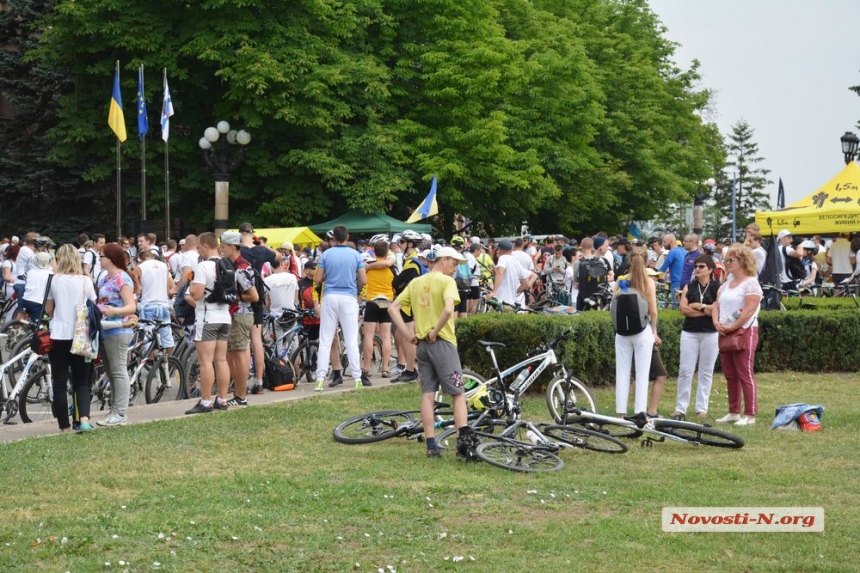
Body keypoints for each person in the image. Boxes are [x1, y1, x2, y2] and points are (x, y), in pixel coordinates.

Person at [388, 247, 470, 458]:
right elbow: (449, 309)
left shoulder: (416, 282)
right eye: (453, 263)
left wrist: (407, 334)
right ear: (443, 260)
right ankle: (463, 445)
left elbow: (393, 308)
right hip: (442, 342)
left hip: (422, 345)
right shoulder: (446, 282)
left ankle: (431, 444)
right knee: (458, 394)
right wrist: (435, 331)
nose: (455, 269)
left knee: (428, 394)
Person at [44, 245, 97, 433]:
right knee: (82, 381)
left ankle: (64, 427)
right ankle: (83, 419)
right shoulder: (85, 280)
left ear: (59, 259)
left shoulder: (54, 280)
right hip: (81, 335)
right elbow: (93, 302)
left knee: (59, 382)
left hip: (59, 334)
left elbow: (49, 310)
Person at [313, 225, 367, 391]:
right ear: (347, 236)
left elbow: (318, 279)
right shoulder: (355, 255)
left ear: (334, 238)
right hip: (349, 298)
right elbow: (364, 280)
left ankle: (320, 379)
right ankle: (357, 378)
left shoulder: (326, 254)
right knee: (351, 339)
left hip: (330, 296)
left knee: (326, 339)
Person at [713, 245, 762, 426]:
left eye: (730, 260)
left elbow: (749, 310)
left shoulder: (751, 283)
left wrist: (732, 326)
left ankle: (750, 414)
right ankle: (733, 411)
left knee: (745, 373)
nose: (727, 263)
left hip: (744, 331)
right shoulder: (726, 284)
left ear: (742, 261)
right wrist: (716, 322)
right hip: (725, 330)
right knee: (730, 374)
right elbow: (716, 305)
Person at [185, 232, 232, 414]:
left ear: (205, 245)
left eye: (198, 247)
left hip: (207, 318)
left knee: (205, 362)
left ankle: (205, 402)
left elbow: (196, 294)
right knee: (221, 360)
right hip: (224, 317)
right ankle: (222, 398)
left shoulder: (203, 266)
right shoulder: (227, 264)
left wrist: (190, 285)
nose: (198, 250)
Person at [672, 254, 720, 420]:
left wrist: (699, 306)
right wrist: (706, 310)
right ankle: (680, 408)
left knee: (706, 371)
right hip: (690, 332)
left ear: (710, 269)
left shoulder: (717, 287)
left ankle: (701, 408)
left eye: (701, 267)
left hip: (711, 333)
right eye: (696, 267)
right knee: (685, 370)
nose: (697, 269)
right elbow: (684, 309)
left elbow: (717, 308)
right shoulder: (689, 287)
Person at [96, 242, 139, 426]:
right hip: (105, 328)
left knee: (118, 370)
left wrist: (113, 312)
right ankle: (115, 410)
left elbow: (131, 306)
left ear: (111, 258)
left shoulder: (123, 278)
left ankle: (120, 413)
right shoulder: (104, 278)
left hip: (119, 329)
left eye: (102, 256)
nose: (99, 259)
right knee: (110, 371)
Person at [238, 223, 283, 395]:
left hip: (242, 294)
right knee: (256, 340)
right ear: (253, 234)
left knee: (242, 341)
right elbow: (278, 257)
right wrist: (262, 245)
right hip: (257, 293)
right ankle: (259, 380)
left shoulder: (238, 250)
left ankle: (240, 381)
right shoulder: (261, 250)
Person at [611, 253, 658, 416]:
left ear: (628, 263)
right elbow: (653, 311)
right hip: (642, 330)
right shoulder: (648, 282)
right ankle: (640, 411)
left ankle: (620, 412)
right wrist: (654, 331)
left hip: (622, 332)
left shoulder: (621, 281)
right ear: (645, 263)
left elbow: (612, 304)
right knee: (642, 373)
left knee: (622, 371)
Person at [220, 231, 259, 407]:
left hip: (241, 314)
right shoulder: (234, 264)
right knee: (234, 354)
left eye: (223, 247)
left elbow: (254, 296)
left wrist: (233, 297)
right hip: (236, 315)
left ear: (231, 247)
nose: (221, 250)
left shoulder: (241, 268)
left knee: (239, 354)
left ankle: (241, 396)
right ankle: (238, 393)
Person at [361, 240, 396, 382]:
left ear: (374, 252)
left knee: (368, 336)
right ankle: (386, 368)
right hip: (386, 300)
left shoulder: (369, 267)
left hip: (371, 300)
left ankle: (367, 367)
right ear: (387, 252)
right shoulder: (391, 268)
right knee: (386, 336)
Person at [137, 248, 176, 356]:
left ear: (140, 259)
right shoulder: (164, 266)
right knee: (167, 338)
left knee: (148, 340)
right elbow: (169, 288)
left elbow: (137, 289)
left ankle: (152, 367)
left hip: (148, 305)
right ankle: (167, 364)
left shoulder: (140, 267)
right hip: (163, 305)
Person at [18, 251, 53, 321]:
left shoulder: (30, 272)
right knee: (36, 324)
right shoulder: (51, 274)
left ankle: (17, 328)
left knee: (23, 318)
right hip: (38, 302)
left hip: (25, 299)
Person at [1, 244, 19, 323]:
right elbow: (6, 277)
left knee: (15, 307)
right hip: (10, 287)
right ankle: (8, 325)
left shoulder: (18, 263)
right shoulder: (7, 263)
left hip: (17, 287)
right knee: (11, 308)